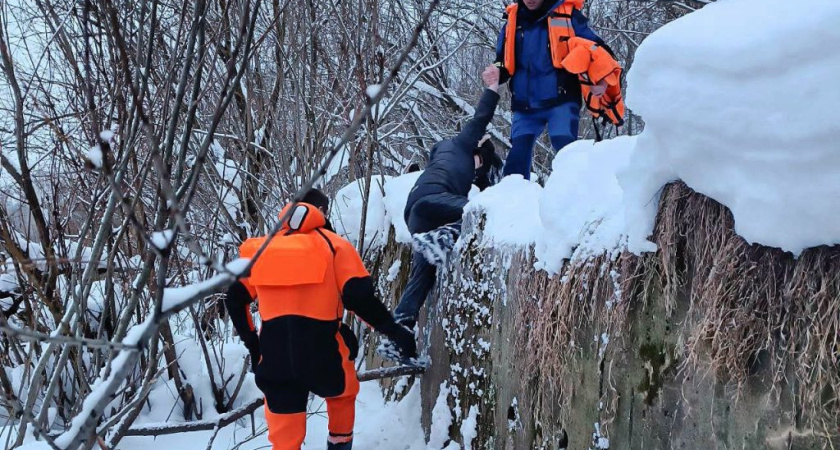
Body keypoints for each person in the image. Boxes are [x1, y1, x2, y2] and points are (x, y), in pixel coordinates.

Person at [224, 189, 416, 450]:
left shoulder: (263, 250)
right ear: (322, 211)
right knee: (343, 392)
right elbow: (360, 300)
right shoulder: (335, 246)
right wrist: (396, 332)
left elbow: (235, 300)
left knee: (284, 437)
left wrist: (254, 346)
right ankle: (339, 442)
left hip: (275, 357)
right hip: (323, 354)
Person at [381, 66, 503, 346]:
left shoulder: (443, 160)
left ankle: (400, 329)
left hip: (417, 216)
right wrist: (493, 87)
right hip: (432, 202)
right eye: (482, 163)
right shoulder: (463, 143)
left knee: (423, 274)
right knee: (479, 212)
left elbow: (479, 186)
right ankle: (443, 236)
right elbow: (481, 117)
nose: (479, 170)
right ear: (478, 153)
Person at [494, 0, 624, 179]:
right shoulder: (513, 20)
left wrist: (602, 81)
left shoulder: (567, 15)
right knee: (516, 159)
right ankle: (512, 195)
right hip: (524, 105)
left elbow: (598, 50)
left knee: (566, 151)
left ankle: (578, 191)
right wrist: (495, 71)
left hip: (562, 99)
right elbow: (502, 61)